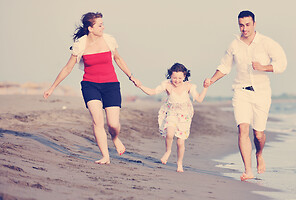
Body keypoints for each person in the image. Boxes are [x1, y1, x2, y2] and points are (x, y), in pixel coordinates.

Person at [43, 12, 140, 165]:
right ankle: (105, 156)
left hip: (111, 85)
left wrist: (131, 76)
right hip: (90, 85)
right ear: (90, 28)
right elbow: (68, 68)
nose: (103, 27)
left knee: (113, 124)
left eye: (102, 24)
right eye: (100, 25)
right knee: (97, 121)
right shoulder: (80, 44)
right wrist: (52, 87)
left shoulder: (109, 40)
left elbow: (118, 59)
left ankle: (115, 138)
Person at [204, 10, 287, 181]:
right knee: (243, 129)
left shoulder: (266, 43)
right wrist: (211, 80)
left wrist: (264, 68)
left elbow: (282, 64)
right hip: (241, 91)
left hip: (262, 93)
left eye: (247, 25)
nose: (244, 28)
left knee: (258, 134)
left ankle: (260, 154)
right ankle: (248, 170)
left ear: (254, 24)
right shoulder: (234, 45)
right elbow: (225, 67)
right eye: (241, 25)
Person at [137, 63, 208, 172]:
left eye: (180, 78)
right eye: (174, 77)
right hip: (172, 113)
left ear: (184, 76)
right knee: (169, 133)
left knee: (180, 143)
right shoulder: (167, 85)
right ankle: (168, 151)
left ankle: (179, 163)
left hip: (184, 116)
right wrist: (140, 85)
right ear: (170, 75)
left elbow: (199, 99)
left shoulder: (189, 86)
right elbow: (152, 92)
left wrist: (205, 88)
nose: (177, 80)